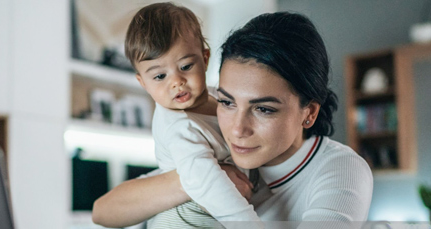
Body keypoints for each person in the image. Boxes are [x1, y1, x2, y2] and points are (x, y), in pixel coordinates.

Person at [92, 12, 373, 228]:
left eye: (263, 109)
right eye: (226, 102)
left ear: (309, 112)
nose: (237, 129)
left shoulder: (340, 169)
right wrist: (197, 179)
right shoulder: (211, 150)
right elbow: (104, 211)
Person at [115, 2, 264, 228]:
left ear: (205, 59)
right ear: (142, 82)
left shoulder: (219, 97)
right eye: (159, 76)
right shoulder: (179, 126)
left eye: (185, 67)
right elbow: (208, 183)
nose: (176, 82)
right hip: (187, 218)